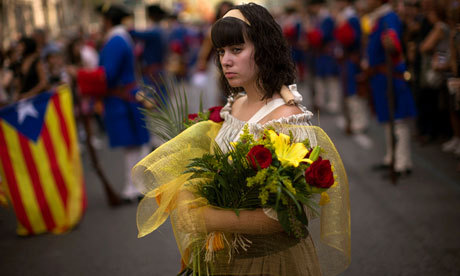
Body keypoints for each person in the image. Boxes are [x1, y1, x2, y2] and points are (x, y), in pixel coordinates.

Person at [134, 3, 350, 275]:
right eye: (222, 51)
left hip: (269, 262)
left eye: (237, 50)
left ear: (265, 49)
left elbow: (293, 216)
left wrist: (208, 218)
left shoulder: (287, 120)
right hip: (224, 258)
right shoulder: (235, 104)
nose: (225, 60)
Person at [96, 4, 150, 201]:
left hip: (121, 99)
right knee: (134, 145)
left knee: (130, 145)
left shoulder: (115, 40)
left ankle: (133, 187)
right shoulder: (122, 38)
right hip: (127, 95)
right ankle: (136, 185)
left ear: (108, 21)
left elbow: (107, 74)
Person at [365, 0, 417, 177]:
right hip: (381, 76)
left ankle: (402, 162)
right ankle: (391, 157)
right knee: (388, 120)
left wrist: (390, 44)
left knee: (398, 121)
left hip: (391, 76)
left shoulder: (388, 17)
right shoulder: (379, 17)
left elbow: (394, 46)